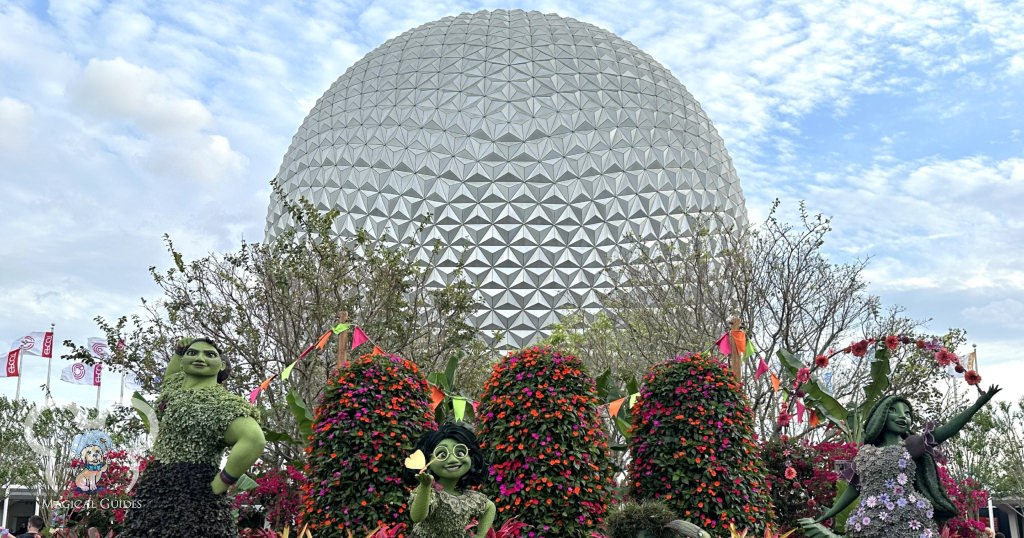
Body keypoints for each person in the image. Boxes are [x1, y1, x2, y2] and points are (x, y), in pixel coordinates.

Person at [798, 385, 1001, 537]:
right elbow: (853, 489)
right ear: (882, 415)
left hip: (909, 520)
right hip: (867, 522)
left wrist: (977, 404)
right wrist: (827, 516)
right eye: (895, 411)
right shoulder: (864, 454)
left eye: (908, 413)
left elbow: (944, 431)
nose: (903, 416)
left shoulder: (911, 445)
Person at [121, 338, 266, 537]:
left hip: (195, 491)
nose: (200, 357)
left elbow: (254, 439)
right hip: (155, 486)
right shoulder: (174, 386)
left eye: (210, 354)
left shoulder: (223, 403)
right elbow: (170, 374)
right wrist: (179, 350)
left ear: (221, 365)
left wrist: (222, 482)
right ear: (182, 362)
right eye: (193, 352)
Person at [404, 422, 496, 538]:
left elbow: (490, 507)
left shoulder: (469, 498)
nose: (453, 460)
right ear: (428, 460)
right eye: (442, 454)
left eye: (460, 452)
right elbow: (417, 517)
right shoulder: (431, 493)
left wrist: (480, 535)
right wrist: (425, 486)